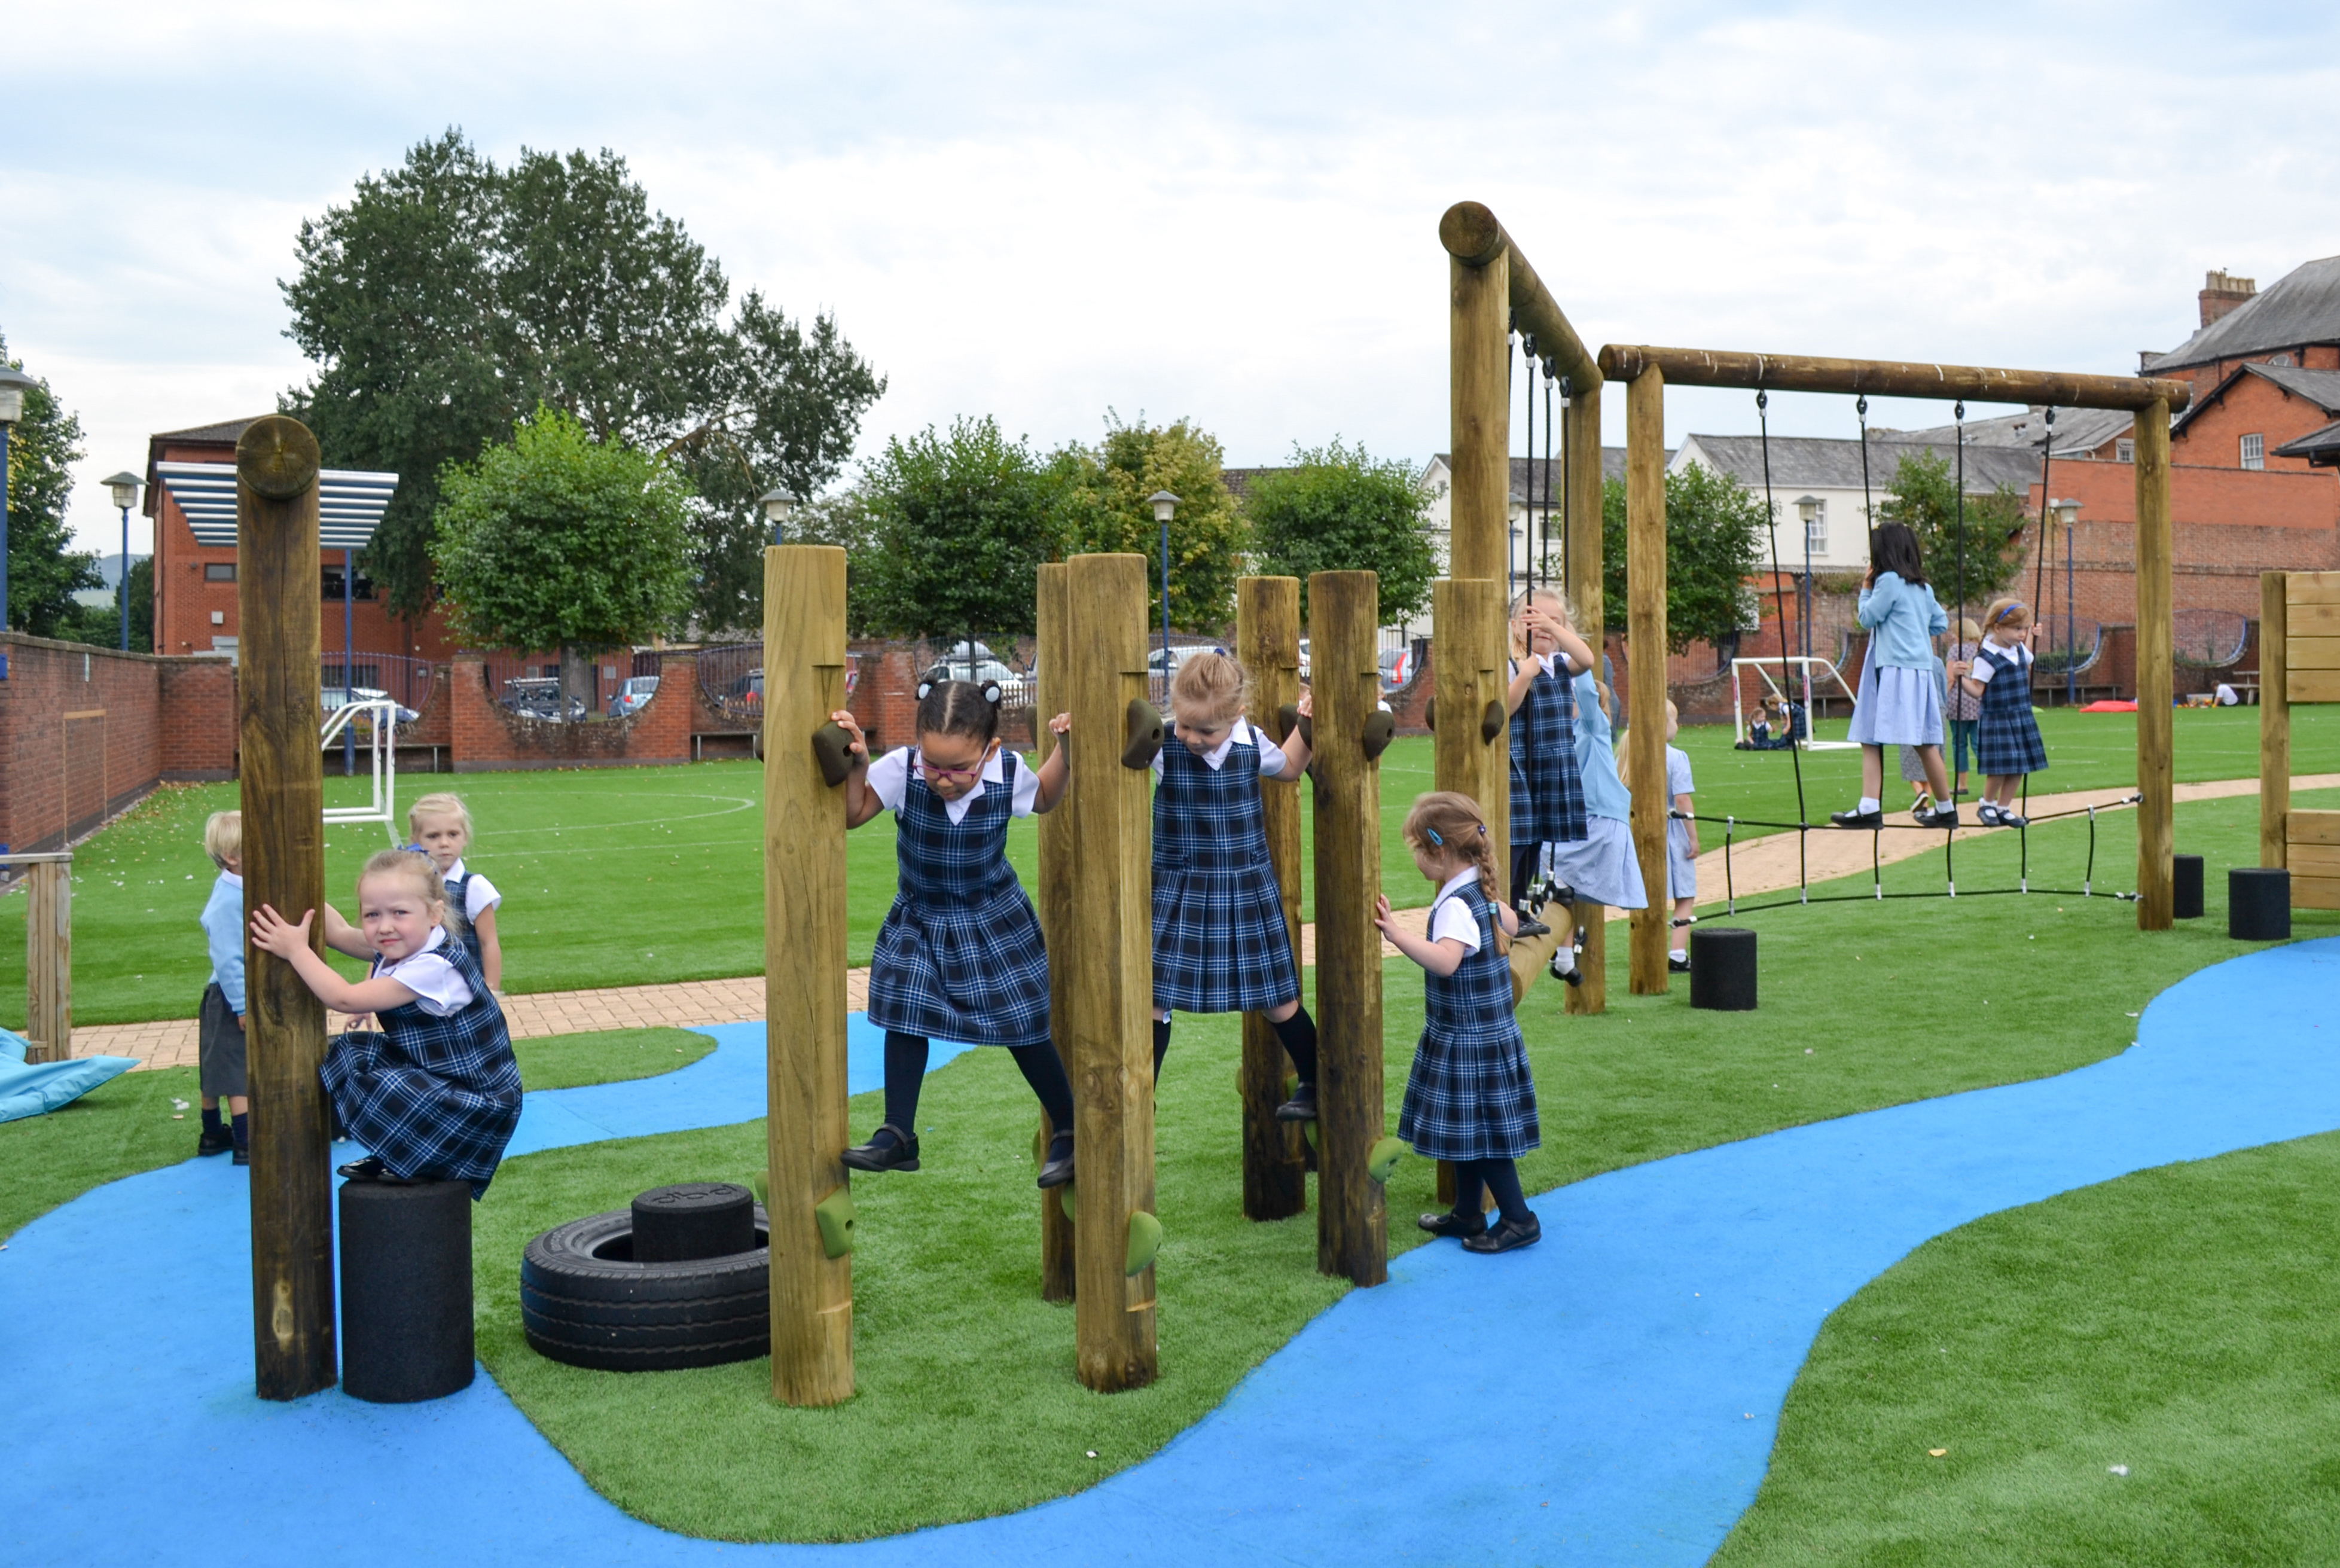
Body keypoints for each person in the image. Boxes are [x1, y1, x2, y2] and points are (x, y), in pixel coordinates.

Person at [829, 679, 1078, 1185]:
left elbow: (1046, 797)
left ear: (990, 750)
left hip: (993, 919)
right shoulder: (901, 769)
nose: (943, 780)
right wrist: (858, 767)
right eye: (933, 765)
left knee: (1024, 1025)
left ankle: (1071, 1130)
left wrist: (1066, 752)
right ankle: (898, 1134)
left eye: (959, 768)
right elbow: (853, 814)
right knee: (905, 1009)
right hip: (922, 917)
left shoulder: (1007, 772)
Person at [249, 849, 521, 1197]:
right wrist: (293, 888)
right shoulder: (410, 942)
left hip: (479, 1103)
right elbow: (340, 932)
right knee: (354, 1052)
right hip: (443, 1080)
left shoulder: (434, 967)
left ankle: (419, 1162)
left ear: (435, 914)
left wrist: (296, 950)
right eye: (372, 914)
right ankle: (400, 1154)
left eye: (399, 913)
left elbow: (344, 998)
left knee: (385, 1083)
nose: (385, 926)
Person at [1148, 652, 1322, 1118]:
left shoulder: (1251, 743)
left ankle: (1315, 1082)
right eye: (1185, 725)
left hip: (1244, 886)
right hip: (1181, 886)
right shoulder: (1161, 744)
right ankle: (1140, 1094)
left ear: (1236, 715)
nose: (1192, 738)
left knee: (1278, 999)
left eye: (1206, 731)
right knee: (1153, 996)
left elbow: (1289, 766)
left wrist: (1305, 724)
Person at [1375, 791, 1540, 1255]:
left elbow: (1446, 962)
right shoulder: (1479, 890)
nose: (1414, 858)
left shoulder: (1455, 904)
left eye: (1416, 848)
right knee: (1470, 1132)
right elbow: (1512, 923)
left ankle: (1519, 1220)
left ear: (1440, 850)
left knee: (1483, 1137)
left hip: (1469, 1039)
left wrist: (1396, 935)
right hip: (1486, 1034)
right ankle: (1468, 1213)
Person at [1832, 523, 1957, 829]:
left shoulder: (1887, 581)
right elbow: (1940, 623)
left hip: (1892, 670)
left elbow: (1867, 618)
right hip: (1920, 671)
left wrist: (1866, 588)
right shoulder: (1923, 588)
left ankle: (1870, 807)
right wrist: (1912, 629)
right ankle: (1946, 808)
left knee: (1869, 737)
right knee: (1925, 742)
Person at [1543, 676, 1648, 987]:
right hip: (1584, 820)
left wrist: (1572, 660)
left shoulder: (1593, 726)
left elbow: (1586, 691)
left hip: (1599, 820)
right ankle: (1564, 959)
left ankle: (1560, 945)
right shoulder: (1565, 733)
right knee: (1559, 883)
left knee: (1548, 861)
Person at [1505, 589, 1596, 941]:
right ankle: (1506, 907)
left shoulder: (1560, 663)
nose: (1542, 628)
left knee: (1537, 840)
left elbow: (1587, 658)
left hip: (1552, 762)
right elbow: (1505, 708)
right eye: (1533, 620)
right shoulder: (1513, 664)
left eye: (1553, 622)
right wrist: (1525, 676)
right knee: (1519, 838)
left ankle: (1520, 907)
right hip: (1522, 763)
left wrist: (1553, 627)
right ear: (1515, 625)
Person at [1963, 597, 2048, 827]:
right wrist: (1960, 679)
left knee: (2019, 766)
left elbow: (2028, 659)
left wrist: (2033, 637)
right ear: (1998, 628)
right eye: (2017, 629)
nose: (2022, 634)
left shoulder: (2018, 649)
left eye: (2024, 629)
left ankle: (2004, 807)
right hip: (1998, 719)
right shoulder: (1987, 658)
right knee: (2000, 768)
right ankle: (1987, 804)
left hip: (2021, 716)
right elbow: (1977, 691)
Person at [405, 792, 503, 992]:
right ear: (415, 840)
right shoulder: (408, 885)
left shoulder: (474, 887)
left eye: (453, 834)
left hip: (464, 993)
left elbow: (489, 943)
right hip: (418, 991)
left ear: (465, 837)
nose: (444, 843)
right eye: (433, 836)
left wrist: (491, 993)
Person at [195, 810, 249, 1164]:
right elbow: (228, 959)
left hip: (225, 995)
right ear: (232, 857)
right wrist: (242, 1006)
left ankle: (213, 1133)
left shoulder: (233, 889)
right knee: (235, 1069)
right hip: (230, 997)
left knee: (216, 1063)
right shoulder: (229, 901)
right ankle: (246, 1140)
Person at [1662, 703, 1697, 974]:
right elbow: (1682, 799)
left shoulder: (1627, 753)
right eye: (1675, 719)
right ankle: (1677, 954)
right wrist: (1693, 838)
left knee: (1649, 894)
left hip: (1636, 828)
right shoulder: (1676, 757)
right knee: (1685, 894)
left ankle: (1649, 948)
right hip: (1671, 830)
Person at [1944, 617, 1984, 799]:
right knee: (1979, 743)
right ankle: (1994, 779)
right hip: (1977, 699)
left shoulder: (1956, 650)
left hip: (1958, 702)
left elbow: (1950, 678)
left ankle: (1962, 784)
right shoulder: (1981, 649)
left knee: (1959, 744)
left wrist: (1943, 697)